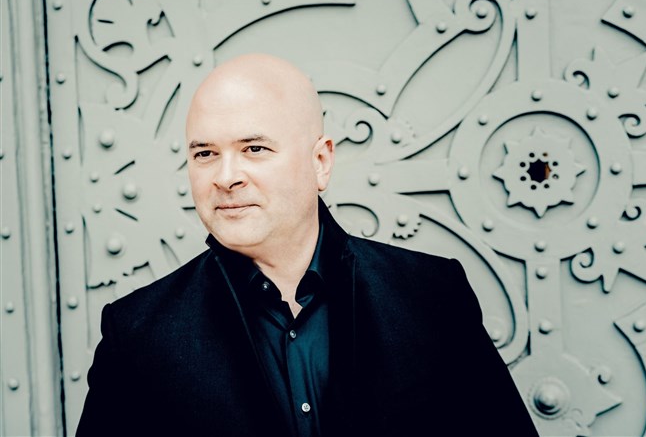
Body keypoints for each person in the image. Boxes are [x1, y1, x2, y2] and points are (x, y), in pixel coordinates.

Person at [77, 53, 539, 437]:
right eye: (205, 154)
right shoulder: (135, 335)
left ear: (320, 161)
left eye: (254, 149)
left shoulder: (432, 294)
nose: (225, 176)